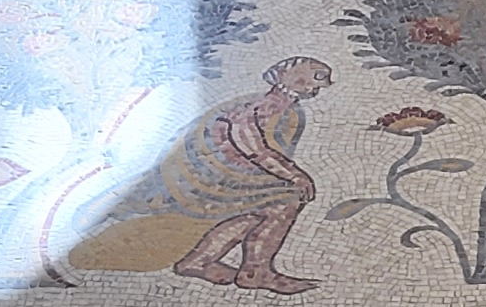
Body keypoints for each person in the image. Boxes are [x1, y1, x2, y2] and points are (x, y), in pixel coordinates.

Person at [70, 57, 334, 292]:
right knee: (284, 200)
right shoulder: (262, 106)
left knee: (266, 207)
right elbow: (252, 147)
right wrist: (294, 175)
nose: (319, 86)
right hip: (205, 177)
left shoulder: (287, 110)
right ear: (292, 77)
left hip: (229, 173)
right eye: (316, 78)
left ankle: (202, 262)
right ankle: (254, 272)